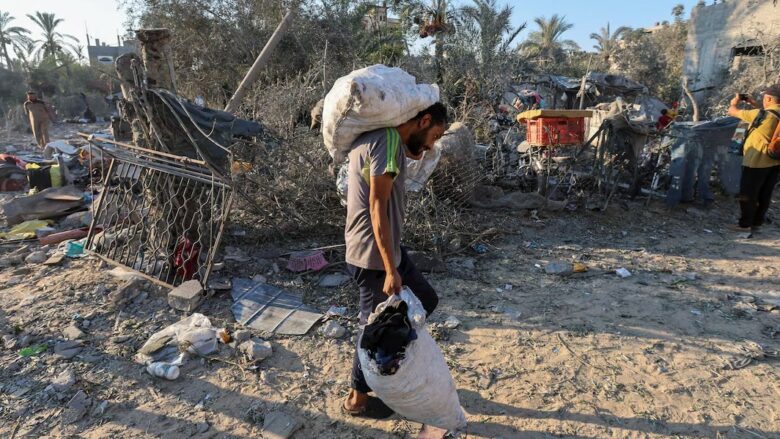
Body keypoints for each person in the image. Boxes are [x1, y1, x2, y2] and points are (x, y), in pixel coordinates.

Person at [342, 103, 447, 420]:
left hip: (387, 253)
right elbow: (377, 205)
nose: (431, 145)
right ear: (423, 121)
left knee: (425, 299)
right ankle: (357, 400)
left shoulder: (381, 139)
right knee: (373, 330)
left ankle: (390, 369)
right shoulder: (387, 139)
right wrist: (390, 269)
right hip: (374, 259)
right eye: (434, 135)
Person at [727, 84, 780, 233]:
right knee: (765, 193)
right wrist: (753, 104)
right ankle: (757, 222)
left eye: (764, 98)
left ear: (769, 98)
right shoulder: (770, 113)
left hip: (756, 160)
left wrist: (735, 101)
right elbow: (767, 115)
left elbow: (732, 111)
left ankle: (744, 225)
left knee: (748, 193)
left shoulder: (760, 114)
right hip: (775, 160)